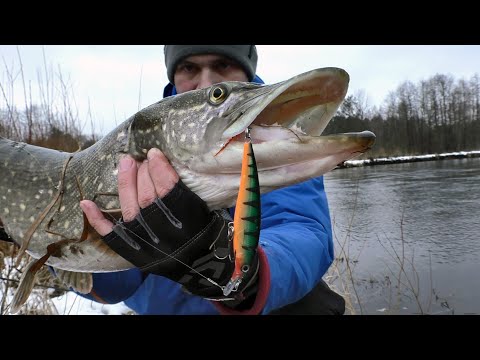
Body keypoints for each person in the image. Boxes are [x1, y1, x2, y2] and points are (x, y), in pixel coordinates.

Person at [77, 45, 345, 315]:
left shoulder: (272, 141)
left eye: (223, 65)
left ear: (246, 69)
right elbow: (116, 287)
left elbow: (301, 228)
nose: (206, 81)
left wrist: (243, 273)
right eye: (189, 68)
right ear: (174, 75)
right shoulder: (134, 148)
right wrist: (51, 245)